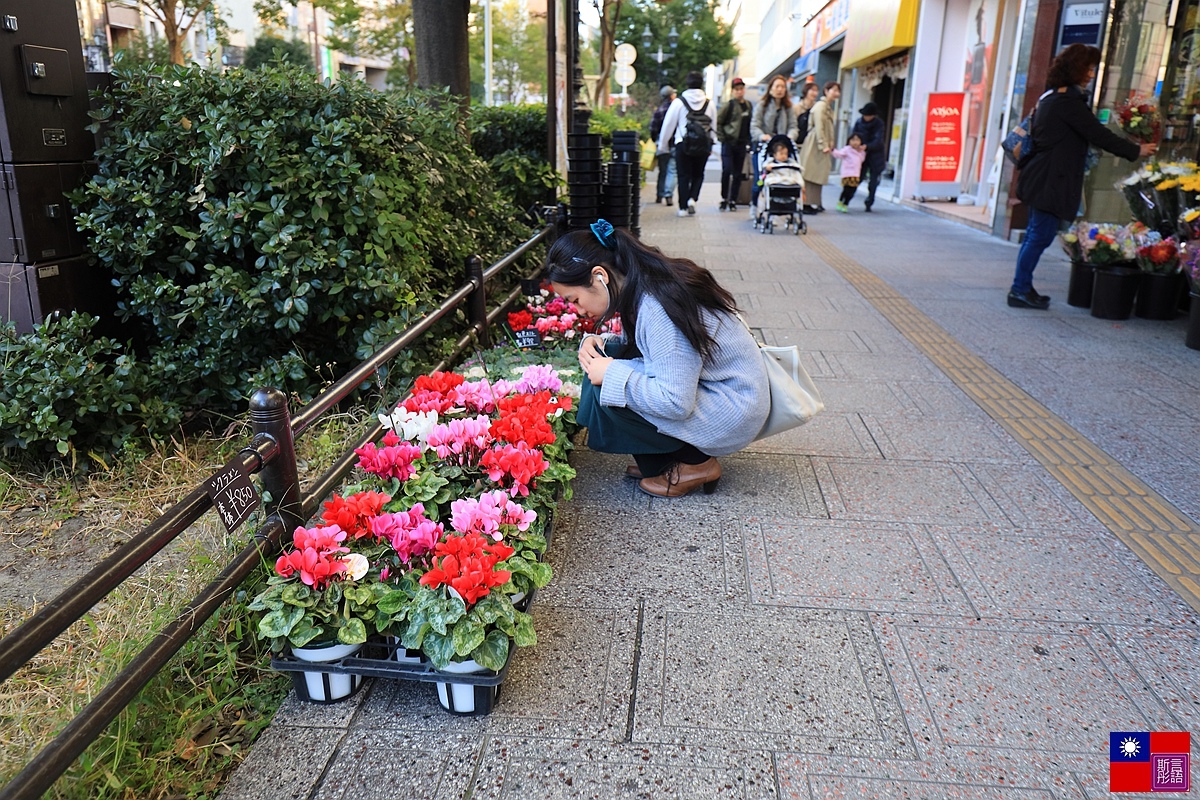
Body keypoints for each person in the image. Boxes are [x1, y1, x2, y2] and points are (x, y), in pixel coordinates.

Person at [546, 220, 769, 497]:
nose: (576, 310)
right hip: (724, 393)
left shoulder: (656, 309)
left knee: (608, 385)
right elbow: (654, 351)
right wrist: (602, 343)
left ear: (599, 276)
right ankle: (664, 460)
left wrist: (612, 372)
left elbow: (676, 402)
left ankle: (697, 464)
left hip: (732, 410)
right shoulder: (647, 285)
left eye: (575, 299)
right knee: (605, 364)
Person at [1010, 43, 1156, 309]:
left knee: (1036, 234)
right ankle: (1019, 290)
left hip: (1042, 177)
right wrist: (1136, 150)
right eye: (1088, 68)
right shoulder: (1067, 102)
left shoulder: (1053, 96)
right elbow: (1097, 134)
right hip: (1049, 181)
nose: (1091, 74)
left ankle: (1022, 287)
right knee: (1039, 236)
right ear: (1075, 68)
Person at [657, 71, 715, 217]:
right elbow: (714, 126)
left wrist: (663, 146)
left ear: (687, 84)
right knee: (698, 174)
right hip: (703, 144)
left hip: (683, 143)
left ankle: (682, 208)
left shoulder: (679, 102)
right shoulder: (710, 103)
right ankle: (692, 199)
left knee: (683, 175)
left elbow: (668, 125)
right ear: (701, 84)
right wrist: (711, 144)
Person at [750, 74, 798, 216]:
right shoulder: (762, 106)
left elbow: (793, 126)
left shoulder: (789, 107)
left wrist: (790, 136)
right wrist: (762, 136)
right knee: (761, 179)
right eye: (776, 86)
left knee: (782, 179)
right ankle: (754, 205)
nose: (779, 89)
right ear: (770, 89)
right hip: (763, 147)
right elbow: (754, 125)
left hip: (781, 149)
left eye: (782, 87)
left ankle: (776, 207)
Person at [799, 81, 840, 213]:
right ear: (826, 91)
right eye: (833, 90)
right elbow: (819, 127)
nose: (836, 93)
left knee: (817, 174)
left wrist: (830, 142)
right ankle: (806, 203)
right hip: (815, 143)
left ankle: (814, 202)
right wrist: (823, 144)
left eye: (837, 91)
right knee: (811, 174)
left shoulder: (826, 106)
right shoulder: (821, 106)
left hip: (820, 144)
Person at [717, 77, 752, 212]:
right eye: (737, 89)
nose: (739, 92)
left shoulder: (748, 105)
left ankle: (733, 199)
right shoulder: (729, 105)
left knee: (738, 173)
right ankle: (724, 198)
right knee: (727, 170)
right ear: (732, 91)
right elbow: (718, 122)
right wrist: (722, 138)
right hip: (729, 143)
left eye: (741, 89)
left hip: (742, 144)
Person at [851, 102, 887, 211]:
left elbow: (878, 140)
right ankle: (847, 198)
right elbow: (853, 137)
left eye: (869, 115)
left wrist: (867, 146)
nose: (866, 117)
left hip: (875, 155)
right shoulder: (859, 122)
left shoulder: (879, 124)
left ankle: (869, 202)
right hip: (860, 154)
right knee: (858, 178)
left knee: (873, 180)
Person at [650, 85, 678, 206]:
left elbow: (653, 128)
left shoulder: (659, 110)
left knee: (662, 170)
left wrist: (655, 139)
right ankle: (668, 194)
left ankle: (659, 195)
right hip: (674, 144)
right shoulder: (677, 110)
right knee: (672, 170)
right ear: (671, 96)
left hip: (661, 145)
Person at [830, 133, 867, 213]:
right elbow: (838, 154)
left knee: (852, 191)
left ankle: (846, 203)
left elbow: (862, 160)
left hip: (856, 174)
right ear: (849, 141)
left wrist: (861, 150)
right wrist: (833, 150)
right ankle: (841, 202)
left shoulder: (861, 152)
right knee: (846, 190)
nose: (855, 142)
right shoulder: (847, 149)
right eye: (853, 140)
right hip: (847, 174)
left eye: (857, 140)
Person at [794, 81, 821, 148]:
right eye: (812, 90)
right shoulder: (796, 107)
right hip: (798, 142)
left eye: (816, 91)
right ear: (806, 91)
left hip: (811, 143)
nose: (815, 93)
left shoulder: (817, 107)